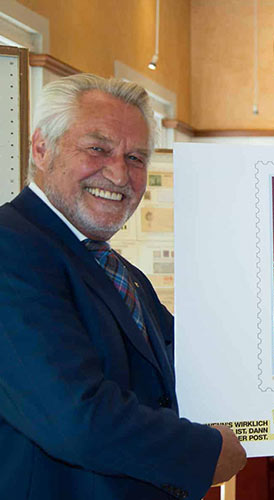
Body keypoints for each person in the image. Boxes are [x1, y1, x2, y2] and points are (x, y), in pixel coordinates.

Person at [0, 74, 247, 499]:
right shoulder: (11, 247)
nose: (118, 174)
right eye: (98, 149)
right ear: (42, 148)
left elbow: (187, 368)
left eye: (135, 157)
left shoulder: (116, 267)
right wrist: (206, 452)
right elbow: (77, 419)